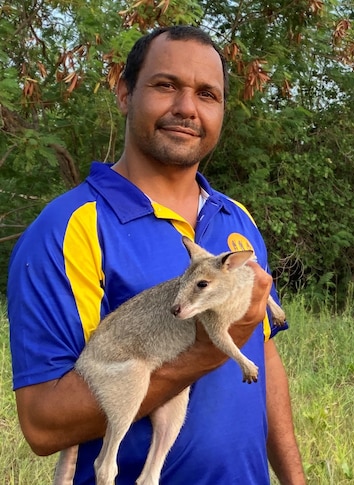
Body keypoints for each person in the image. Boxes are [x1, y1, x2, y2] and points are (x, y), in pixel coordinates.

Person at [6, 26, 306, 484]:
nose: (187, 108)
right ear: (125, 93)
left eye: (208, 94)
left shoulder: (238, 222)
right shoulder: (70, 228)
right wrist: (203, 352)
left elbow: (262, 353)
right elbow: (44, 425)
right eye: (166, 86)